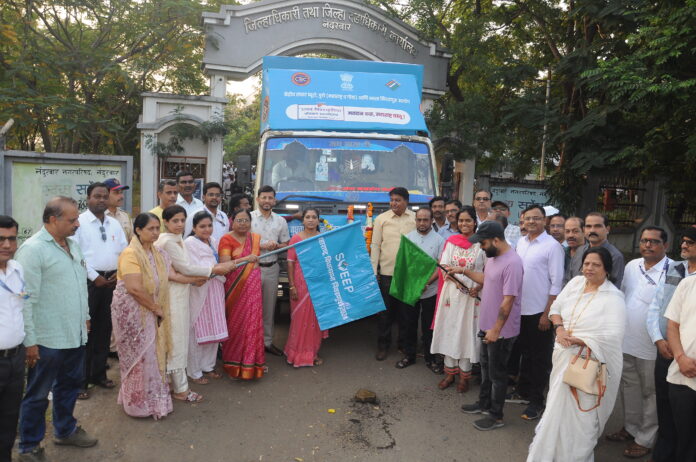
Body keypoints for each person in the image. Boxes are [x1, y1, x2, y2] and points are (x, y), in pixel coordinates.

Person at [15, 197, 97, 460]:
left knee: (69, 386)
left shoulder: (72, 245)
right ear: (53, 220)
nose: (77, 225)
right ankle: (29, 446)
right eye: (72, 220)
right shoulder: (32, 250)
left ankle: (65, 430)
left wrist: (85, 317)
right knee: (38, 394)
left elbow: (80, 286)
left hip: (74, 334)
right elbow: (26, 300)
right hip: (46, 339)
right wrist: (30, 341)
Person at [527, 247, 626, 461]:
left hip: (588, 365)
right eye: (587, 263)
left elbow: (613, 336)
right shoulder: (574, 284)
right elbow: (555, 309)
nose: (589, 268)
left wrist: (581, 340)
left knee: (583, 417)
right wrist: (560, 329)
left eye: (596, 265)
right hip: (563, 356)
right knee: (556, 408)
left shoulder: (614, 298)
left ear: (607, 269)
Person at [155, 205, 231, 403]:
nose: (179, 224)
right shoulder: (171, 241)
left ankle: (183, 378)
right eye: (175, 221)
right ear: (165, 222)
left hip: (196, 287)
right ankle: (183, 382)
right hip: (181, 292)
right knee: (183, 336)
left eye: (182, 220)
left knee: (187, 335)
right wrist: (213, 270)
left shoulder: (177, 238)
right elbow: (186, 268)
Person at [606, 227, 671, 459]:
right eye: (644, 241)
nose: (647, 245)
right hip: (627, 339)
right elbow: (621, 296)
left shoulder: (673, 270)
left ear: (666, 245)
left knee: (650, 392)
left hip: (653, 344)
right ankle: (631, 427)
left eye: (654, 242)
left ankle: (646, 437)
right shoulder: (633, 266)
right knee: (629, 388)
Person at [460, 221, 524, 431]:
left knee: (498, 375)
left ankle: (496, 416)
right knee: (486, 369)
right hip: (487, 325)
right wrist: (463, 271)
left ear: (496, 240)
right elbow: (487, 279)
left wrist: (496, 329)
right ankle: (484, 403)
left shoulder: (512, 262)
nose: (481, 247)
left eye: (483, 243)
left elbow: (508, 300)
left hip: (501, 331)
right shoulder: (494, 257)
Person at [110, 213, 173, 419]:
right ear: (138, 230)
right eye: (151, 229)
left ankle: (152, 398)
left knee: (152, 355)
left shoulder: (157, 253)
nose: (156, 233)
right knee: (138, 357)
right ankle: (136, 403)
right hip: (131, 313)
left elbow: (170, 276)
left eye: (158, 228)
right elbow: (134, 289)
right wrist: (156, 308)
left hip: (149, 309)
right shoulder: (130, 254)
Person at [72, 182, 128, 399]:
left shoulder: (114, 223)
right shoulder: (80, 223)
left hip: (111, 281)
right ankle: (80, 381)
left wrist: (119, 273)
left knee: (105, 330)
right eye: (97, 196)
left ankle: (98, 374)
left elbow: (124, 250)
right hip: (90, 283)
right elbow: (76, 255)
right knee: (86, 332)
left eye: (105, 196)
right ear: (88, 198)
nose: (101, 200)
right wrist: (95, 277)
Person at [510, 204, 565, 421]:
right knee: (523, 352)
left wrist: (547, 314)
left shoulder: (552, 247)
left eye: (536, 218)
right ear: (522, 221)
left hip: (539, 312)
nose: (531, 222)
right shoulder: (521, 243)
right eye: (528, 219)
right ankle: (523, 390)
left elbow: (556, 283)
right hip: (519, 309)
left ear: (545, 221)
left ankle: (536, 401)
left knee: (539, 358)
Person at [646, 227, 696, 461]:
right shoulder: (675, 269)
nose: (684, 245)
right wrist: (658, 338)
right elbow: (656, 307)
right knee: (666, 409)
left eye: (690, 242)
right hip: (667, 352)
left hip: (690, 360)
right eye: (683, 241)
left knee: (687, 419)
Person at [431, 206, 486, 393]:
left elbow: (489, 271)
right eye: (461, 220)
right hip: (452, 295)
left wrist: (477, 287)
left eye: (468, 220)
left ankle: (464, 376)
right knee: (450, 331)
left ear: (474, 222)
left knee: (466, 333)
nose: (464, 224)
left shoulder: (482, 244)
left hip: (472, 297)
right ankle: (449, 374)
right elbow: (444, 266)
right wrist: (456, 282)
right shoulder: (451, 241)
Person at [184, 211, 233, 383]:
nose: (207, 229)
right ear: (194, 227)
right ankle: (194, 371)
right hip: (200, 289)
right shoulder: (189, 243)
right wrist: (215, 268)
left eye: (209, 225)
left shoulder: (213, 241)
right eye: (202, 226)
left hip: (215, 289)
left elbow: (219, 264)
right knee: (198, 330)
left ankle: (208, 366)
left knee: (214, 327)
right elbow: (190, 267)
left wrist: (222, 267)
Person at [370, 187, 416, 361]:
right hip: (387, 273)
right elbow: (375, 245)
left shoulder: (414, 219)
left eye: (398, 200)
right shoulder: (381, 219)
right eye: (392, 200)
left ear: (406, 201)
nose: (394, 203)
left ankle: (403, 345)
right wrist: (374, 271)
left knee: (406, 313)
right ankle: (383, 346)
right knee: (385, 314)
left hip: (408, 274)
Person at [219, 209, 263, 379]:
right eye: (239, 220)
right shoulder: (226, 239)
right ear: (232, 221)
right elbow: (224, 264)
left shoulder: (255, 238)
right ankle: (233, 363)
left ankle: (252, 364)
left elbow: (256, 263)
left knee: (252, 323)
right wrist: (246, 259)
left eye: (246, 220)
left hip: (253, 289)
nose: (243, 224)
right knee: (236, 324)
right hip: (235, 289)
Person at [284, 208, 329, 367]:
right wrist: (291, 286)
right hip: (300, 283)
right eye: (308, 217)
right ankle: (295, 353)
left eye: (314, 217)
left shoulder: (323, 238)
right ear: (302, 220)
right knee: (299, 319)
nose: (310, 220)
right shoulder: (296, 238)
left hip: (318, 284)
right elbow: (290, 263)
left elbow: (326, 262)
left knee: (315, 320)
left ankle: (312, 353)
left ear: (318, 220)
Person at [251, 186, 290, 356]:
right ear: (258, 199)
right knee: (251, 308)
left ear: (274, 201)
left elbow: (286, 244)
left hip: (272, 268)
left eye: (270, 198)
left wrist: (276, 245)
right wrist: (260, 246)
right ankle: (251, 344)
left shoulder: (280, 221)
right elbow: (242, 242)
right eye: (264, 197)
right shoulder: (248, 218)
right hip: (252, 269)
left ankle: (267, 342)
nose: (267, 201)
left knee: (269, 308)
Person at [0, 216, 25, 462]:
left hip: (16, 358)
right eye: (1, 239)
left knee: (9, 418)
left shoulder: (17, 269)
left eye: (11, 238)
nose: (7, 244)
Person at [665, 268, 696, 461]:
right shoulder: (688, 284)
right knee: (684, 441)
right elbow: (672, 325)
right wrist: (680, 357)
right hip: (683, 377)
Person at [581, 212, 625, 286]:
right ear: (584, 229)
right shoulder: (579, 251)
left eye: (597, 226)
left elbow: (613, 287)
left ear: (607, 229)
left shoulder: (615, 256)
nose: (592, 230)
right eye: (588, 226)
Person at [563, 216, 586, 285]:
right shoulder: (561, 252)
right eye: (567, 231)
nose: (570, 235)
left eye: (575, 231)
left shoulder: (591, 254)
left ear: (584, 231)